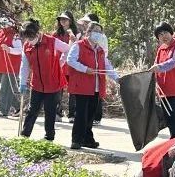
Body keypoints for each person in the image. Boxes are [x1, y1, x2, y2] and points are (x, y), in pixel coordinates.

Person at [65, 21, 118, 149]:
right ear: (88, 32)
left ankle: (87, 139)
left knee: (90, 115)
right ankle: (76, 139)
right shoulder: (79, 45)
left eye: (100, 32)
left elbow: (107, 66)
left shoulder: (100, 50)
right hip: (82, 86)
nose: (98, 34)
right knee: (81, 114)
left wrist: (117, 78)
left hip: (96, 87)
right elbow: (70, 60)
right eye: (95, 31)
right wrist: (85, 69)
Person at [18, 19, 69, 142]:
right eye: (26, 39)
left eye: (30, 38)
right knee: (32, 110)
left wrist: (60, 62)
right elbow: (24, 65)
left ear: (37, 34)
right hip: (37, 84)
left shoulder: (51, 41)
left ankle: (49, 137)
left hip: (53, 83)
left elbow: (68, 49)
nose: (29, 41)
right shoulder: (27, 46)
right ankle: (25, 135)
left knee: (50, 111)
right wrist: (22, 82)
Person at [147, 22, 175, 138]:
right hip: (164, 92)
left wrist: (159, 67)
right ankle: (174, 145)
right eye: (160, 35)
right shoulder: (161, 49)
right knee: (170, 119)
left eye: (166, 32)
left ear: (171, 33)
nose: (164, 36)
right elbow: (156, 65)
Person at [54, 12, 80, 121]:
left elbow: (80, 47)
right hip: (59, 64)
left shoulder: (77, 33)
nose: (63, 21)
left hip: (71, 66)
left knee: (72, 91)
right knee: (58, 90)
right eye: (61, 19)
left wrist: (74, 38)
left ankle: (72, 114)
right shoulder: (55, 34)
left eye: (65, 19)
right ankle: (57, 113)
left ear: (70, 20)